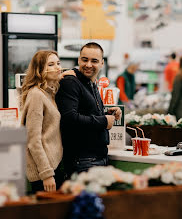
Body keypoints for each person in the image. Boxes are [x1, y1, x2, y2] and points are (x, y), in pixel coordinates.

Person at [56, 42, 122, 177]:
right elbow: (69, 118)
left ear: (102, 63)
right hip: (83, 160)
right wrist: (104, 121)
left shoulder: (91, 83)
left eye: (94, 61)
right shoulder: (71, 82)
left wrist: (106, 114)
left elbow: (86, 113)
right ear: (79, 59)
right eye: (85, 60)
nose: (88, 65)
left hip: (97, 158)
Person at [20, 50, 74, 193]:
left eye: (58, 63)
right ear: (39, 70)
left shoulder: (48, 93)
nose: (57, 67)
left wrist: (62, 76)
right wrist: (46, 174)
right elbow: (33, 140)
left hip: (53, 167)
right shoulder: (36, 95)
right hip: (45, 173)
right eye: (51, 64)